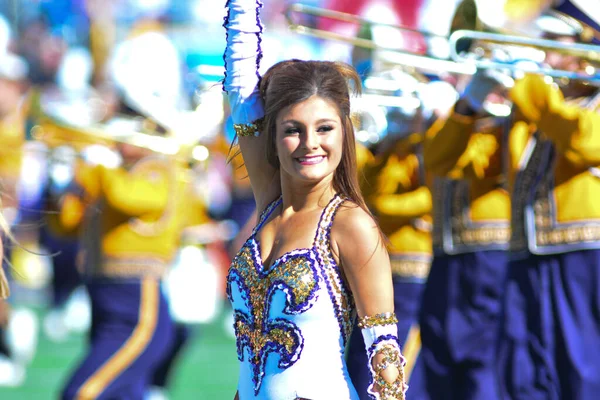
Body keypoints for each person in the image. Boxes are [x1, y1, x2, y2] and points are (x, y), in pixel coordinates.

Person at [223, 0, 407, 399]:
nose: (310, 144)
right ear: (272, 135)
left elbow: (386, 360)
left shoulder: (350, 223)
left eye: (324, 128)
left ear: (344, 132)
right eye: (294, 130)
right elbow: (241, 92)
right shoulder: (270, 203)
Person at [494, 14, 600, 400]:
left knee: (581, 366)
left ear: (586, 49)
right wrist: (472, 104)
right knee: (521, 368)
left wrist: (535, 92)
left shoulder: (562, 104)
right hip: (526, 250)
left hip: (582, 251)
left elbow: (586, 143)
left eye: (554, 44)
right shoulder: (540, 107)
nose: (543, 55)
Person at [418, 69, 512, 400]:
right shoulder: (459, 121)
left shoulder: (506, 124)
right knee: (439, 357)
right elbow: (435, 158)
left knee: (479, 361)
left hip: (488, 256)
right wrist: (466, 106)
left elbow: (469, 165)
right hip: (446, 254)